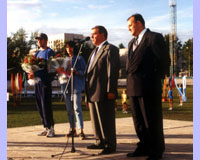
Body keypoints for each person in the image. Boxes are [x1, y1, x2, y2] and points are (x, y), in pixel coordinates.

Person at [126, 14, 170, 160]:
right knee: (138, 122)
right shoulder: (131, 42)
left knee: (152, 121)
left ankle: (156, 151)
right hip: (133, 87)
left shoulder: (153, 38)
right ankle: (143, 146)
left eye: (130, 25)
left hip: (149, 88)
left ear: (139, 23)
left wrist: (154, 79)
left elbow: (164, 62)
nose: (129, 29)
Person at [85, 25, 120, 154]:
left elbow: (113, 71)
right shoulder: (94, 52)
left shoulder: (110, 49)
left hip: (104, 91)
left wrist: (111, 90)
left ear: (103, 35)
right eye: (91, 34)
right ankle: (99, 141)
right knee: (95, 119)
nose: (91, 37)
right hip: (92, 91)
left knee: (106, 120)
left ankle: (110, 145)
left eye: (94, 34)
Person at [57, 41, 86, 140]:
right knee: (69, 110)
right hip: (66, 86)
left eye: (71, 47)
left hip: (76, 86)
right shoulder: (63, 60)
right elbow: (60, 73)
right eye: (67, 47)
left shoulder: (79, 58)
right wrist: (60, 71)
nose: (69, 49)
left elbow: (85, 71)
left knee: (77, 108)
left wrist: (76, 72)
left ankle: (81, 130)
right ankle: (72, 129)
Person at [28, 33, 55, 137]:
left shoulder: (49, 52)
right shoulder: (37, 53)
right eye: (38, 40)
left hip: (45, 82)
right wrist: (30, 73)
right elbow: (32, 67)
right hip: (37, 82)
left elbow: (50, 69)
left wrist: (37, 73)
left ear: (45, 40)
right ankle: (46, 127)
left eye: (41, 39)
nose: (39, 41)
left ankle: (51, 128)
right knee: (39, 105)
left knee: (46, 105)